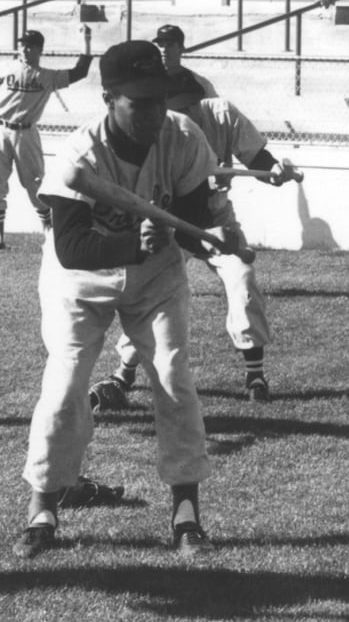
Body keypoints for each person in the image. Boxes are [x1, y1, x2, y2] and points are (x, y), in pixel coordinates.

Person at [12, 40, 235, 560]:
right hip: (80, 283)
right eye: (141, 102)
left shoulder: (182, 136)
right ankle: (42, 506)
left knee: (174, 376)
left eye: (161, 99)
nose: (155, 112)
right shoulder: (79, 153)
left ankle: (186, 512)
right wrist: (132, 243)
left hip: (155, 280)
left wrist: (216, 227)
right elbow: (70, 248)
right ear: (109, 98)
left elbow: (189, 218)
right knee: (66, 384)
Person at [98, 56, 301, 404]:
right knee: (151, 292)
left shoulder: (221, 114)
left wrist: (276, 173)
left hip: (216, 217)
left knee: (243, 277)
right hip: (171, 221)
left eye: (183, 106)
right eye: (168, 107)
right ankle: (124, 375)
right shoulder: (156, 130)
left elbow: (258, 160)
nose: (175, 116)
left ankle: (255, 375)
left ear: (199, 100)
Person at [0, 28, 94, 250]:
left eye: (30, 45)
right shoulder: (4, 68)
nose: (24, 48)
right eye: (22, 44)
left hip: (27, 133)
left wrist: (86, 40)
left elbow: (80, 72)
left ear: (40, 49)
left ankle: (50, 234)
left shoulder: (48, 76)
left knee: (35, 185)